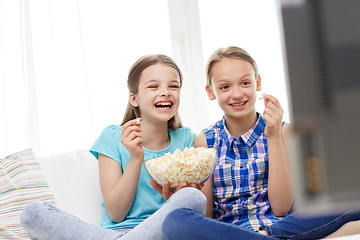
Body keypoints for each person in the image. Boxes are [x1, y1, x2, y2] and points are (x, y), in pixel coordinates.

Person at [161, 46, 360, 239]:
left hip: (279, 226)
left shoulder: (282, 132)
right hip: (228, 232)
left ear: (258, 83)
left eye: (245, 83)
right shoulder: (205, 140)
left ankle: (264, 237)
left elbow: (281, 208)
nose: (237, 94)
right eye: (225, 87)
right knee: (174, 220)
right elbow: (206, 217)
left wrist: (273, 137)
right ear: (211, 92)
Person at [20, 54, 206, 240]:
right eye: (153, 86)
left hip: (163, 231)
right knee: (33, 212)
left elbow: (197, 215)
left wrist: (173, 200)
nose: (165, 92)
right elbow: (116, 213)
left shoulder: (188, 140)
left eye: (173, 86)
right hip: (113, 234)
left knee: (193, 198)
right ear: (134, 99)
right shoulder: (113, 137)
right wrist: (135, 158)